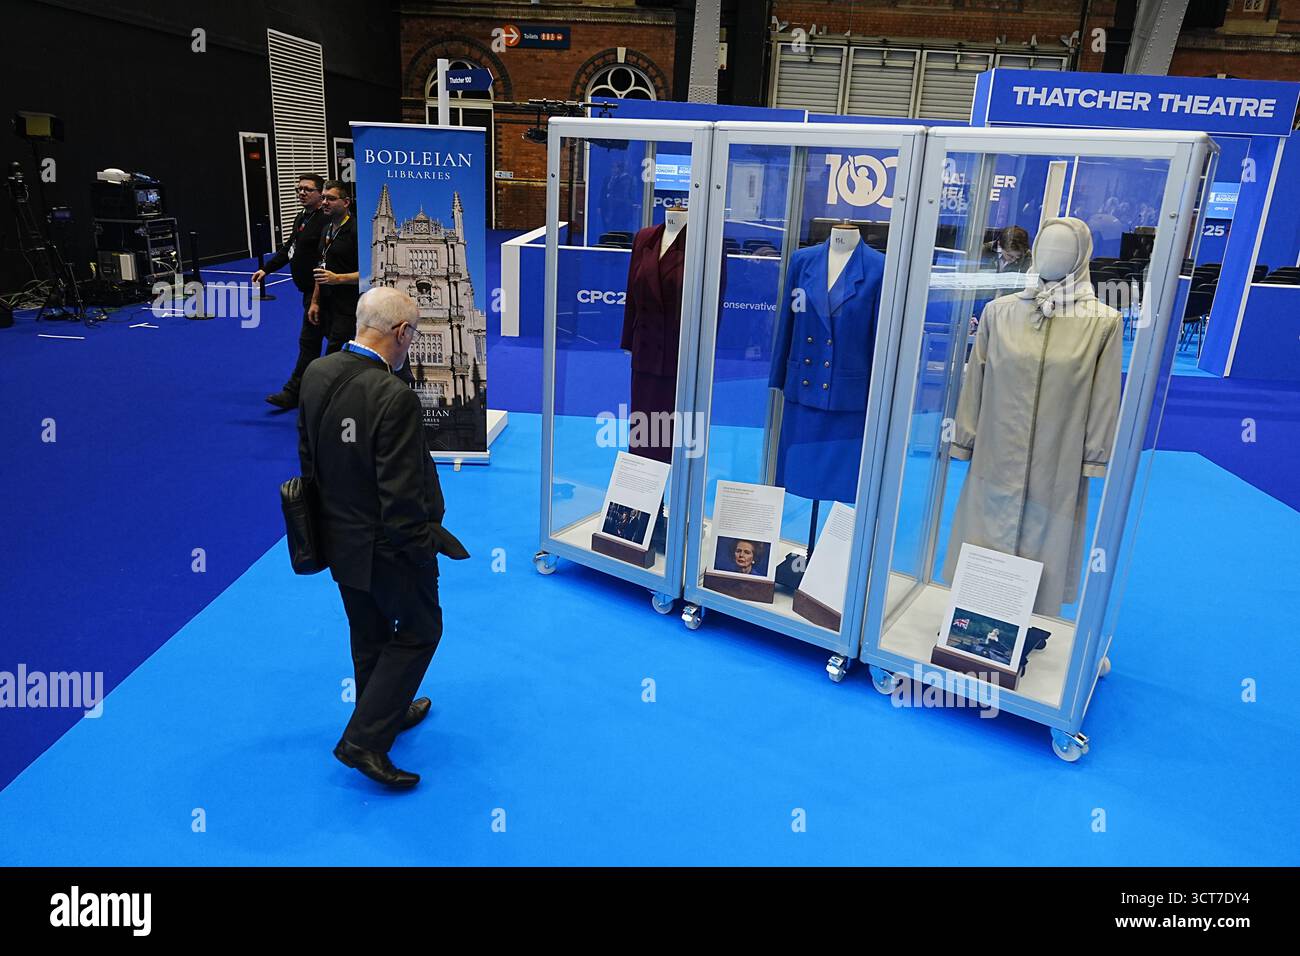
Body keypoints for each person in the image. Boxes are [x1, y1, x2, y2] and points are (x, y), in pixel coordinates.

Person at [297, 286, 469, 789]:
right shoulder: (393, 396)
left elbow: (309, 458)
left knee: (368, 633)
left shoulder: (316, 372)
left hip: (336, 536)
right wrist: (420, 551)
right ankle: (364, 741)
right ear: (402, 332)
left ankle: (385, 709)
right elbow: (401, 492)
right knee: (421, 631)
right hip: (388, 546)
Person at [254, 174, 329, 409]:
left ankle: (294, 393)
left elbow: (325, 260)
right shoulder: (302, 217)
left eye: (307, 189)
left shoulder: (326, 220)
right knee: (316, 343)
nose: (301, 193)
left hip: (323, 293)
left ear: (321, 194)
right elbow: (290, 249)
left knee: (312, 342)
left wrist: (316, 297)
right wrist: (267, 269)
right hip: (308, 291)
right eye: (299, 189)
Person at [311, 180, 361, 356]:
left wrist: (338, 278)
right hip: (327, 303)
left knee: (334, 353)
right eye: (323, 198)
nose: (325, 202)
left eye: (331, 199)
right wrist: (315, 301)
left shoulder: (357, 230)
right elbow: (321, 266)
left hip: (348, 306)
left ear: (346, 202)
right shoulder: (326, 229)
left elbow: (371, 273)